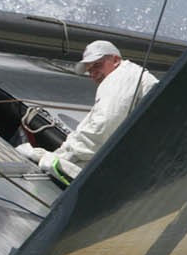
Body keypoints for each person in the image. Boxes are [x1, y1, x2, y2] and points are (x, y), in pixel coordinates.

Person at [16, 40, 159, 181]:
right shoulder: (130, 76)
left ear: (115, 60)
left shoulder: (119, 77)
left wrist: (64, 157)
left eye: (97, 65)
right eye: (90, 70)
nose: (94, 74)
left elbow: (103, 126)